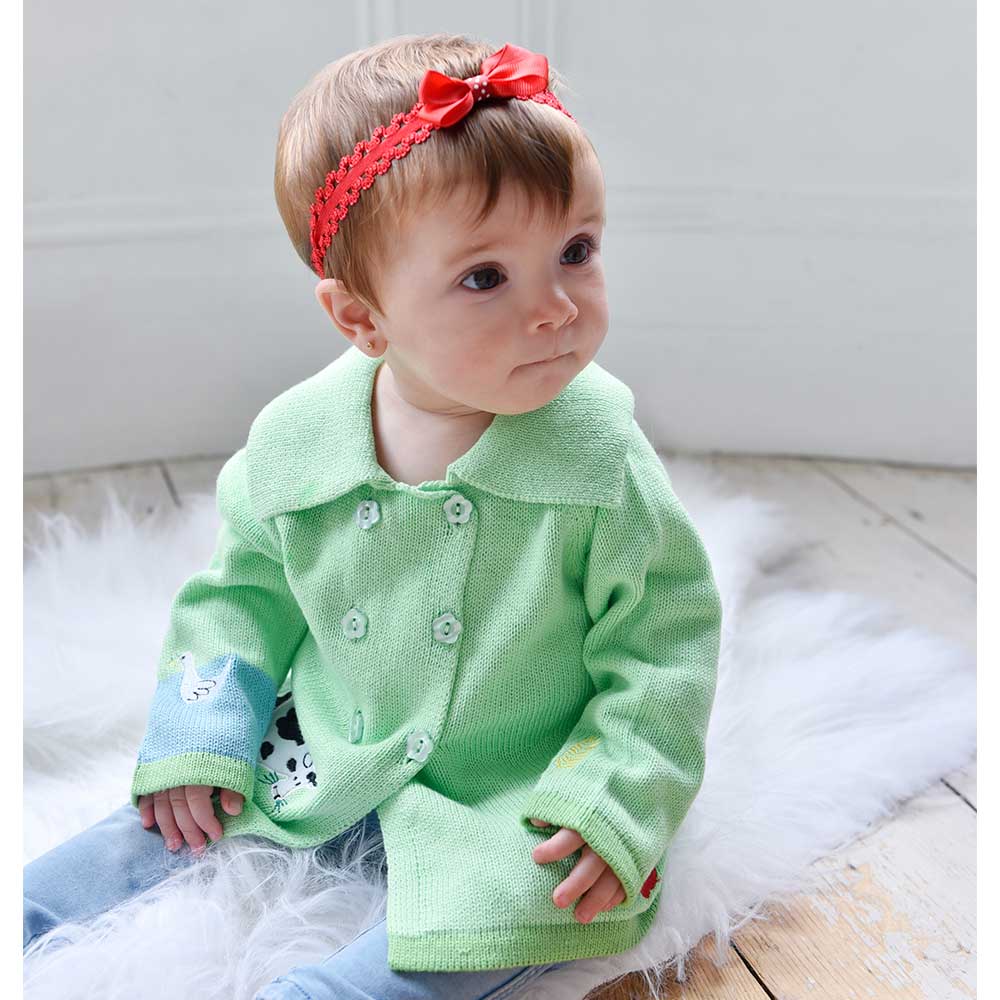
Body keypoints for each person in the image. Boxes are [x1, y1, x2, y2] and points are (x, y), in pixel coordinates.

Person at [24, 33, 723, 1000]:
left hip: (509, 785)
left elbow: (664, 646)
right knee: (162, 824)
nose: (557, 307)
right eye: (486, 277)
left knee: (516, 907)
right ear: (361, 318)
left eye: (576, 251)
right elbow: (239, 596)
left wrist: (613, 802)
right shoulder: (298, 444)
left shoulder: (599, 462)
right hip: (328, 745)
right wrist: (203, 735)